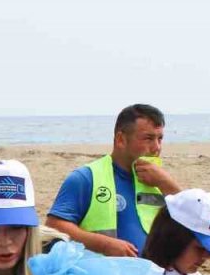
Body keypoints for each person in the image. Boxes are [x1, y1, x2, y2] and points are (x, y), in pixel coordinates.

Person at [46, 104, 181, 257]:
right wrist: (104, 244)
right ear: (121, 139)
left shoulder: (160, 182)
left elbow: (192, 223)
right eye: (148, 138)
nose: (156, 147)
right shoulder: (86, 178)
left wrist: (167, 184)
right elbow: (54, 227)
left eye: (160, 139)